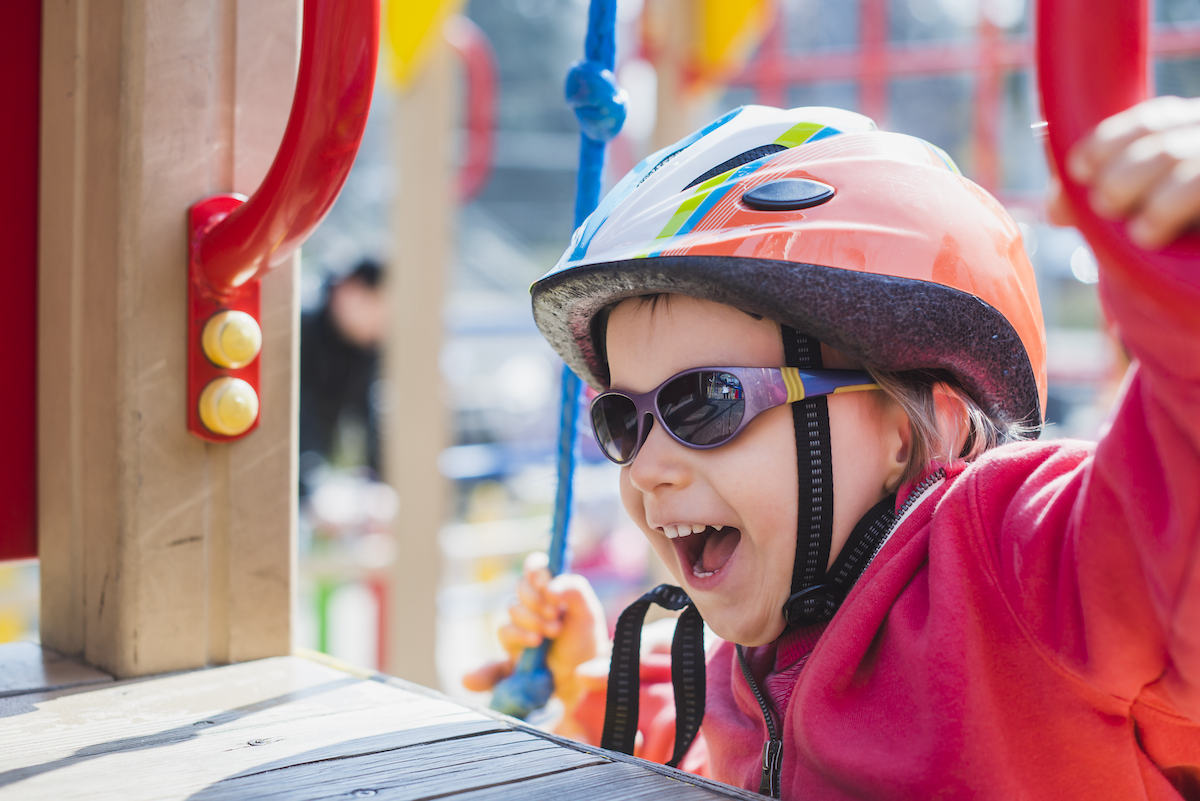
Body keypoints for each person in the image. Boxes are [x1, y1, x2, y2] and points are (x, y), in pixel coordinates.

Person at [465, 99, 1200, 799]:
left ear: (910, 431)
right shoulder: (744, 662)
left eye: (708, 402)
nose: (647, 467)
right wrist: (591, 682)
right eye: (625, 420)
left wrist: (1181, 277)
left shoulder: (1014, 568)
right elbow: (721, 753)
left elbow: (1171, 518)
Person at [299, 258, 387, 496]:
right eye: (379, 307)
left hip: (315, 472)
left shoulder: (366, 349)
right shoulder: (300, 333)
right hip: (286, 469)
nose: (382, 324)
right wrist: (312, 483)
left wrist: (382, 485)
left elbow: (369, 418)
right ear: (351, 291)